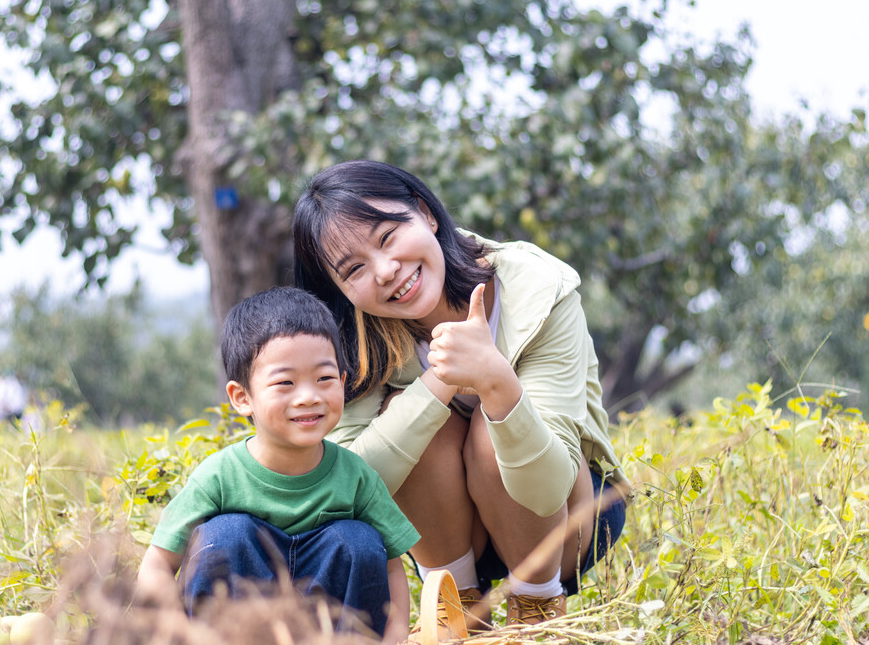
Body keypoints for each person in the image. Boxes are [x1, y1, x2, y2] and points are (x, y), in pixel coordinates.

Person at [292, 160, 630, 628]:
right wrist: (439, 382)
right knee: (410, 421)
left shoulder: (538, 288)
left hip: (569, 518)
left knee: (494, 424)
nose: (386, 271)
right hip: (447, 535)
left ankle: (537, 611)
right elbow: (348, 485)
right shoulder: (354, 332)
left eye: (388, 237)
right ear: (340, 289)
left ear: (426, 214)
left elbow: (551, 484)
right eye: (354, 270)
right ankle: (458, 614)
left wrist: (496, 382)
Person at [136, 287, 419, 643]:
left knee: (359, 541)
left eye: (324, 379)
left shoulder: (356, 477)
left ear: (343, 383)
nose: (308, 397)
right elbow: (158, 564)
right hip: (239, 630)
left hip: (330, 629)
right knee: (225, 535)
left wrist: (396, 637)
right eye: (285, 382)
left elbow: (392, 566)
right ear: (242, 398)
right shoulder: (219, 476)